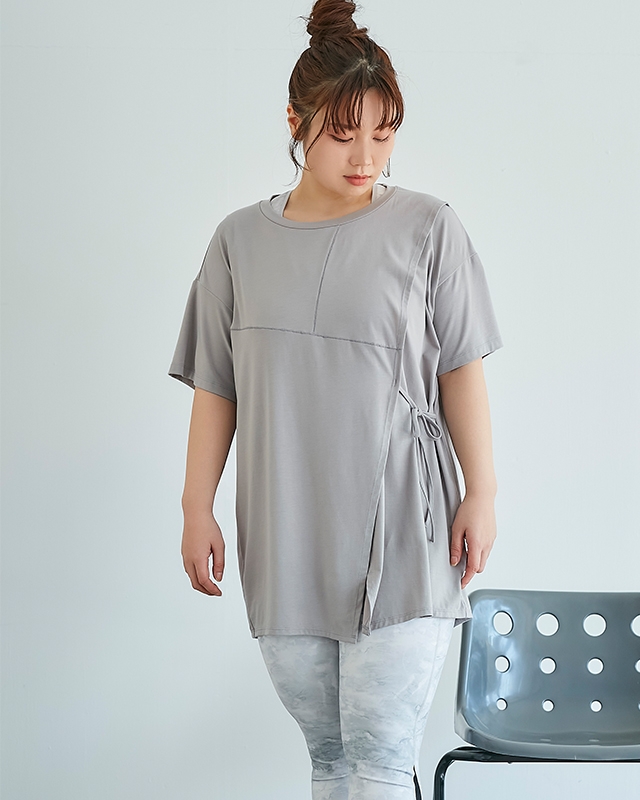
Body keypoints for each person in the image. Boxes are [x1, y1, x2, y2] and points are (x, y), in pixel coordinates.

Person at [167, 1, 503, 797]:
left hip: (406, 527)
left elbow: (461, 367)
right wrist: (195, 507)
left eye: (383, 134)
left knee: (381, 760)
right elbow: (218, 383)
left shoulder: (429, 227)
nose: (366, 157)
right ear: (295, 121)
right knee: (330, 762)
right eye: (344, 133)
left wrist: (482, 491)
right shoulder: (238, 242)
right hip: (285, 531)